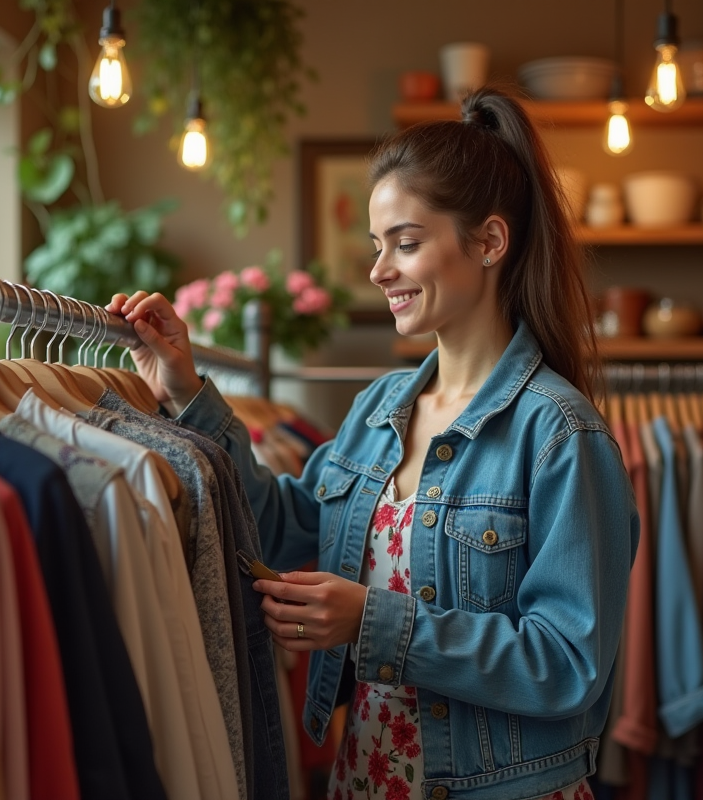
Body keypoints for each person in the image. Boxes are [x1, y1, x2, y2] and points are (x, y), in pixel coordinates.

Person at [108, 86, 639, 800]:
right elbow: (275, 528)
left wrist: (374, 621)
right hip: (365, 779)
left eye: (406, 243)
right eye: (377, 245)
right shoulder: (379, 408)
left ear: (488, 242)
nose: (379, 270)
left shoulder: (560, 435)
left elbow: (569, 663)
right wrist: (185, 389)